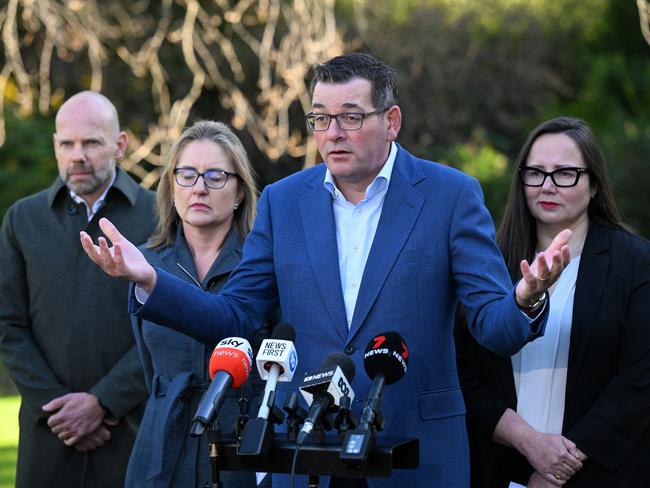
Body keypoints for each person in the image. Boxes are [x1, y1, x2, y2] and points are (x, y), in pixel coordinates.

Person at [80, 53, 571, 487]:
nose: (332, 133)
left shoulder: (451, 196)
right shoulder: (284, 201)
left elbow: (494, 327)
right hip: (304, 452)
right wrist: (149, 279)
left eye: (350, 117)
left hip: (414, 453)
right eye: (320, 118)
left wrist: (526, 297)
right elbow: (235, 317)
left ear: (392, 120)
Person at [456, 117, 650, 487]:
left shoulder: (636, 262)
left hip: (601, 471)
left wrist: (560, 464)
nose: (547, 185)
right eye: (536, 173)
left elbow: (639, 382)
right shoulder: (488, 261)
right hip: (502, 469)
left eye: (565, 173)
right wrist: (527, 442)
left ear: (594, 184)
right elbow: (463, 372)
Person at [0, 91, 157, 487]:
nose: (77, 155)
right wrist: (58, 410)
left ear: (119, 144)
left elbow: (169, 324)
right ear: (55, 145)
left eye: (91, 142)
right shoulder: (23, 220)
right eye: (67, 143)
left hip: (133, 432)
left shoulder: (160, 216)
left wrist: (104, 401)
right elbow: (7, 325)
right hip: (48, 438)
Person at [124, 120, 265, 487]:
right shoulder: (146, 262)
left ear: (239, 193)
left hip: (241, 443)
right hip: (162, 442)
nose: (199, 187)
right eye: (186, 175)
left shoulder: (262, 262)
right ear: (171, 188)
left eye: (215, 176)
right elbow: (148, 362)